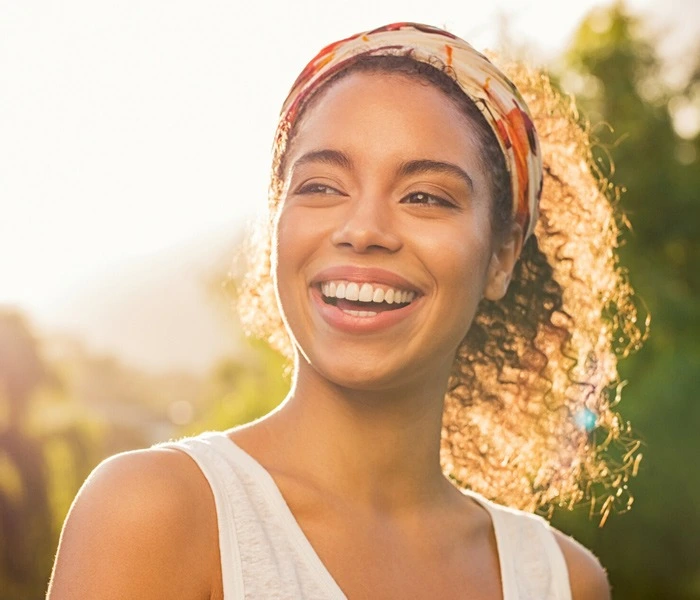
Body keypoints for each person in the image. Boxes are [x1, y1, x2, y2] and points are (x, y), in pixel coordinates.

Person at [48, 22, 643, 599]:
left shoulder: (561, 580)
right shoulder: (155, 513)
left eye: (425, 197)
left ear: (501, 255)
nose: (363, 230)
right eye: (322, 186)